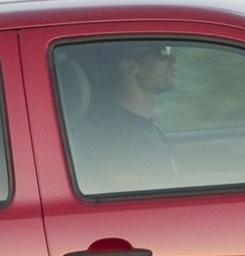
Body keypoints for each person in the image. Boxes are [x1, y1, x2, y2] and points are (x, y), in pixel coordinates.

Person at [69, 42, 181, 191]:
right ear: (130, 67)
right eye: (162, 52)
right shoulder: (109, 139)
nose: (172, 59)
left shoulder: (152, 132)